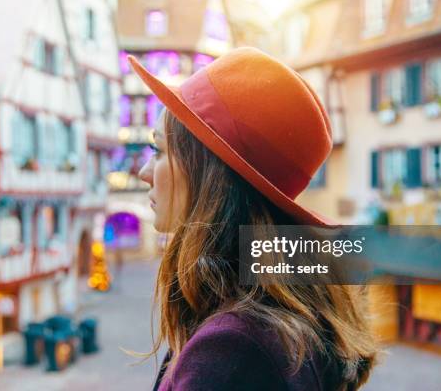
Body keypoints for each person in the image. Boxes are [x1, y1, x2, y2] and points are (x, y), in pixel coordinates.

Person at [131, 47, 378, 390]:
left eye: (159, 150)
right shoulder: (282, 319)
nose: (144, 172)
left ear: (208, 172)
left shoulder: (232, 351)